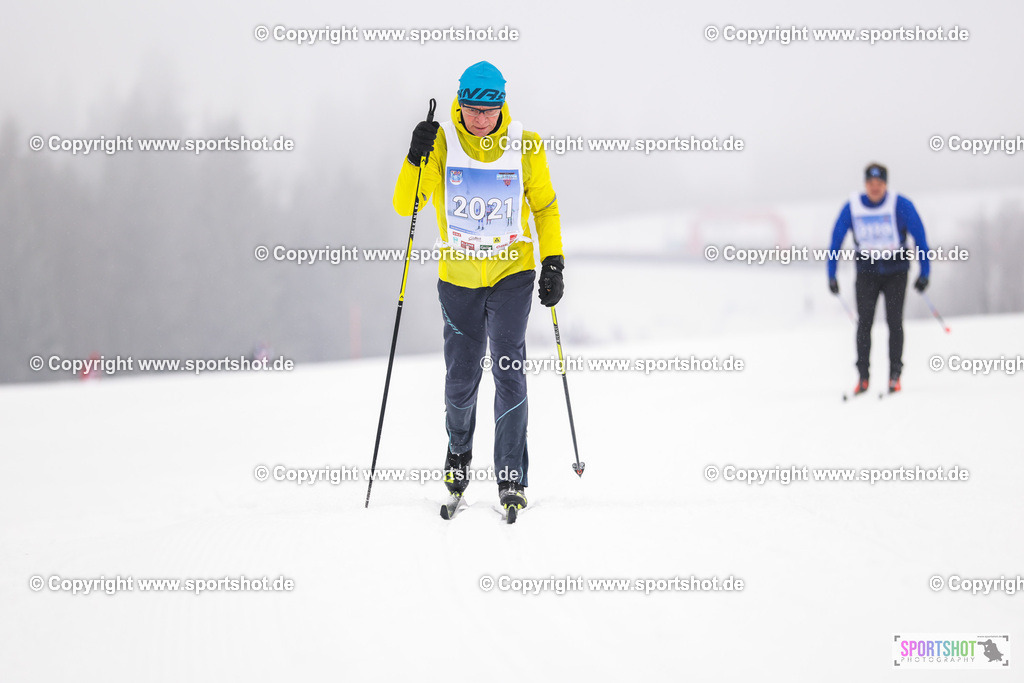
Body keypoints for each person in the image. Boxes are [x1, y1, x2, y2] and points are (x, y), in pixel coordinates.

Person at [392, 61, 564, 513]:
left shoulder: (526, 144)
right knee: (461, 378)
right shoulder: (442, 142)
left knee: (509, 370)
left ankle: (511, 477)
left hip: (512, 275)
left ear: (502, 106)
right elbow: (406, 205)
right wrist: (413, 157)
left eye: (489, 111)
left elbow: (544, 207)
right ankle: (458, 456)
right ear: (460, 104)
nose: (481, 120)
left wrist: (553, 261)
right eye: (472, 110)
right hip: (459, 279)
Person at [827, 163, 930, 395]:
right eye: (871, 184)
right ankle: (863, 377)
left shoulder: (901, 205)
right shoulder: (852, 207)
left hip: (896, 272)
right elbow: (836, 240)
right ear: (865, 184)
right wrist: (831, 274)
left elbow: (920, 237)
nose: (875, 188)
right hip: (867, 273)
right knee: (864, 323)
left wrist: (925, 272)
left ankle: (895, 375)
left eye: (879, 183)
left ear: (886, 184)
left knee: (894, 322)